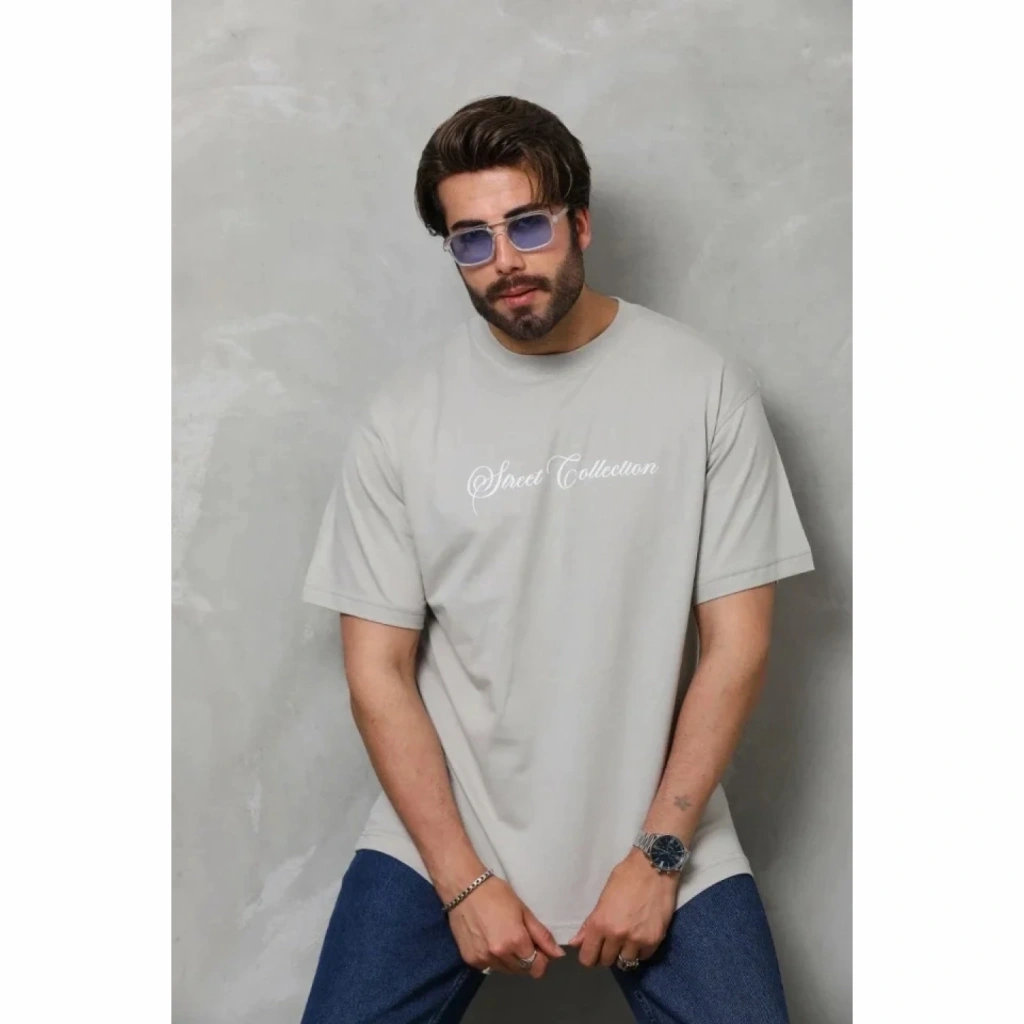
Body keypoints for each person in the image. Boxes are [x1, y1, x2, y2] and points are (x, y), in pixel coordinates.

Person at [298, 95, 815, 1023]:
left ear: (580, 222)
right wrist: (459, 881)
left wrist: (660, 856)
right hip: (445, 838)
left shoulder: (704, 388)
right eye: (471, 240)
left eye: (527, 225)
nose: (504, 260)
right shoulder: (403, 420)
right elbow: (376, 671)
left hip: (664, 831)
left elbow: (737, 646)